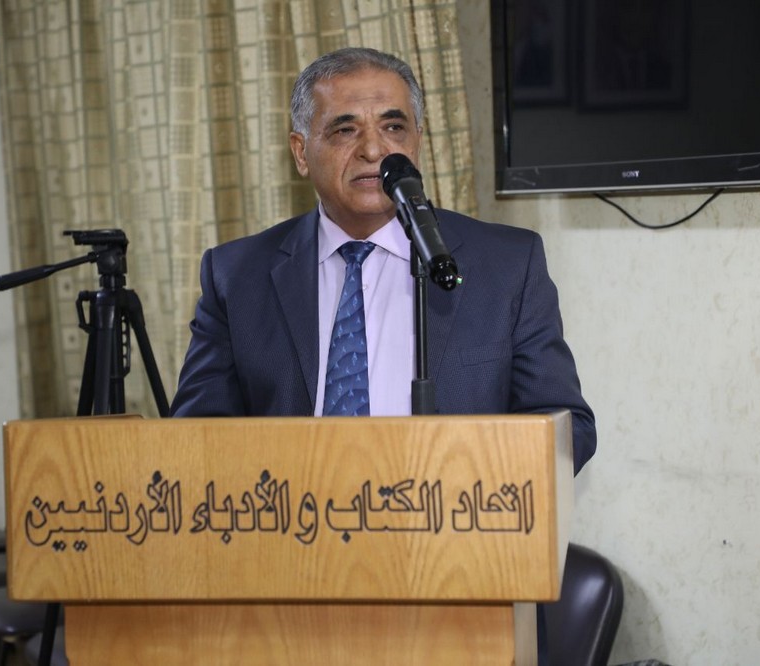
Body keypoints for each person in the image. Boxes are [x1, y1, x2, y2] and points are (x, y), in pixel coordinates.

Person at [170, 47, 595, 474]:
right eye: (344, 130)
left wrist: (465, 485)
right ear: (301, 153)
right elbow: (194, 439)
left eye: (393, 127)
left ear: (417, 141)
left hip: (452, 511)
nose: (374, 150)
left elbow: (566, 428)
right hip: (293, 510)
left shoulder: (507, 265)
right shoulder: (237, 276)